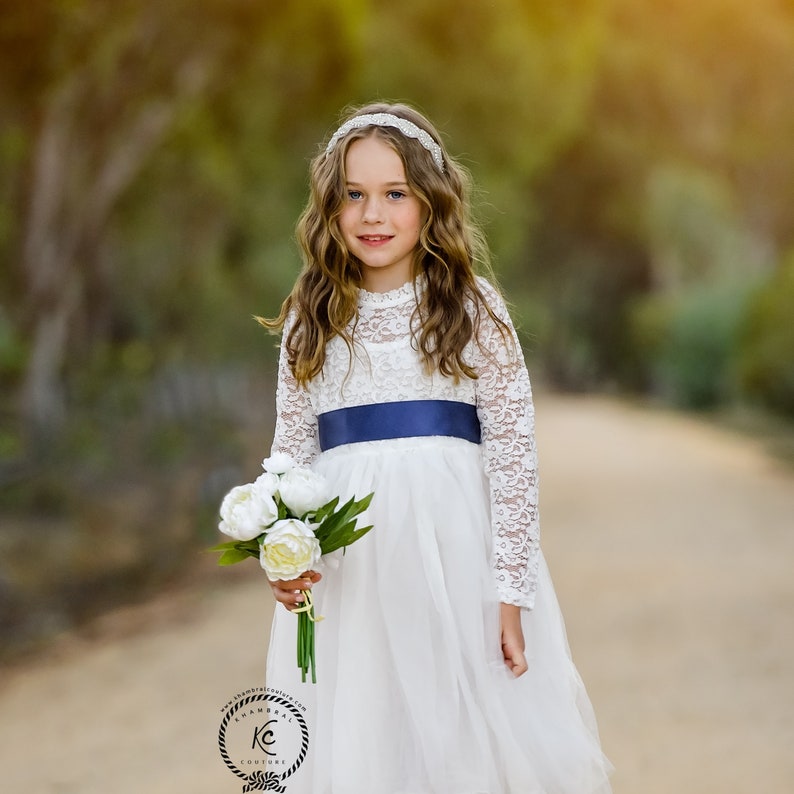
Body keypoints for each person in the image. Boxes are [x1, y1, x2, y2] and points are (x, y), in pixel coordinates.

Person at [260, 101, 613, 793]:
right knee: (365, 730)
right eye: (353, 196)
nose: (372, 215)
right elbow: (290, 454)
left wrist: (510, 591)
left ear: (430, 203)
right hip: (350, 571)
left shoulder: (472, 306)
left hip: (454, 560)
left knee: (462, 729)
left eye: (396, 194)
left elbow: (513, 454)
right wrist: (283, 546)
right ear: (329, 208)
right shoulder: (313, 315)